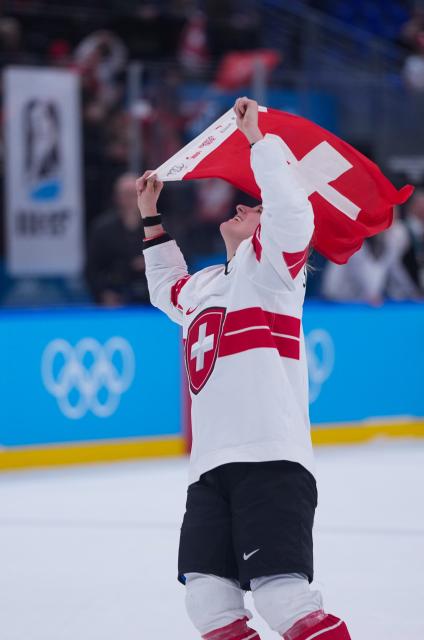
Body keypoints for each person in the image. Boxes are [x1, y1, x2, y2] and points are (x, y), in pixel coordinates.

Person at [136, 97, 351, 640]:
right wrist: (151, 218)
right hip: (210, 468)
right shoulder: (205, 285)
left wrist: (259, 141)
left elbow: (292, 211)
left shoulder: (276, 276)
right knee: (208, 603)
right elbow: (165, 288)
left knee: (285, 601)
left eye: (255, 207)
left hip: (270, 458)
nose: (244, 206)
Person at [86, 173, 149, 307]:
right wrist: (103, 293)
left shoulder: (159, 226)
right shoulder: (102, 229)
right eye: (126, 194)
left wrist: (151, 262)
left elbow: (180, 260)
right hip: (116, 297)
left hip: (152, 298)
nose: (130, 200)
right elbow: (91, 268)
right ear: (117, 197)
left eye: (134, 194)